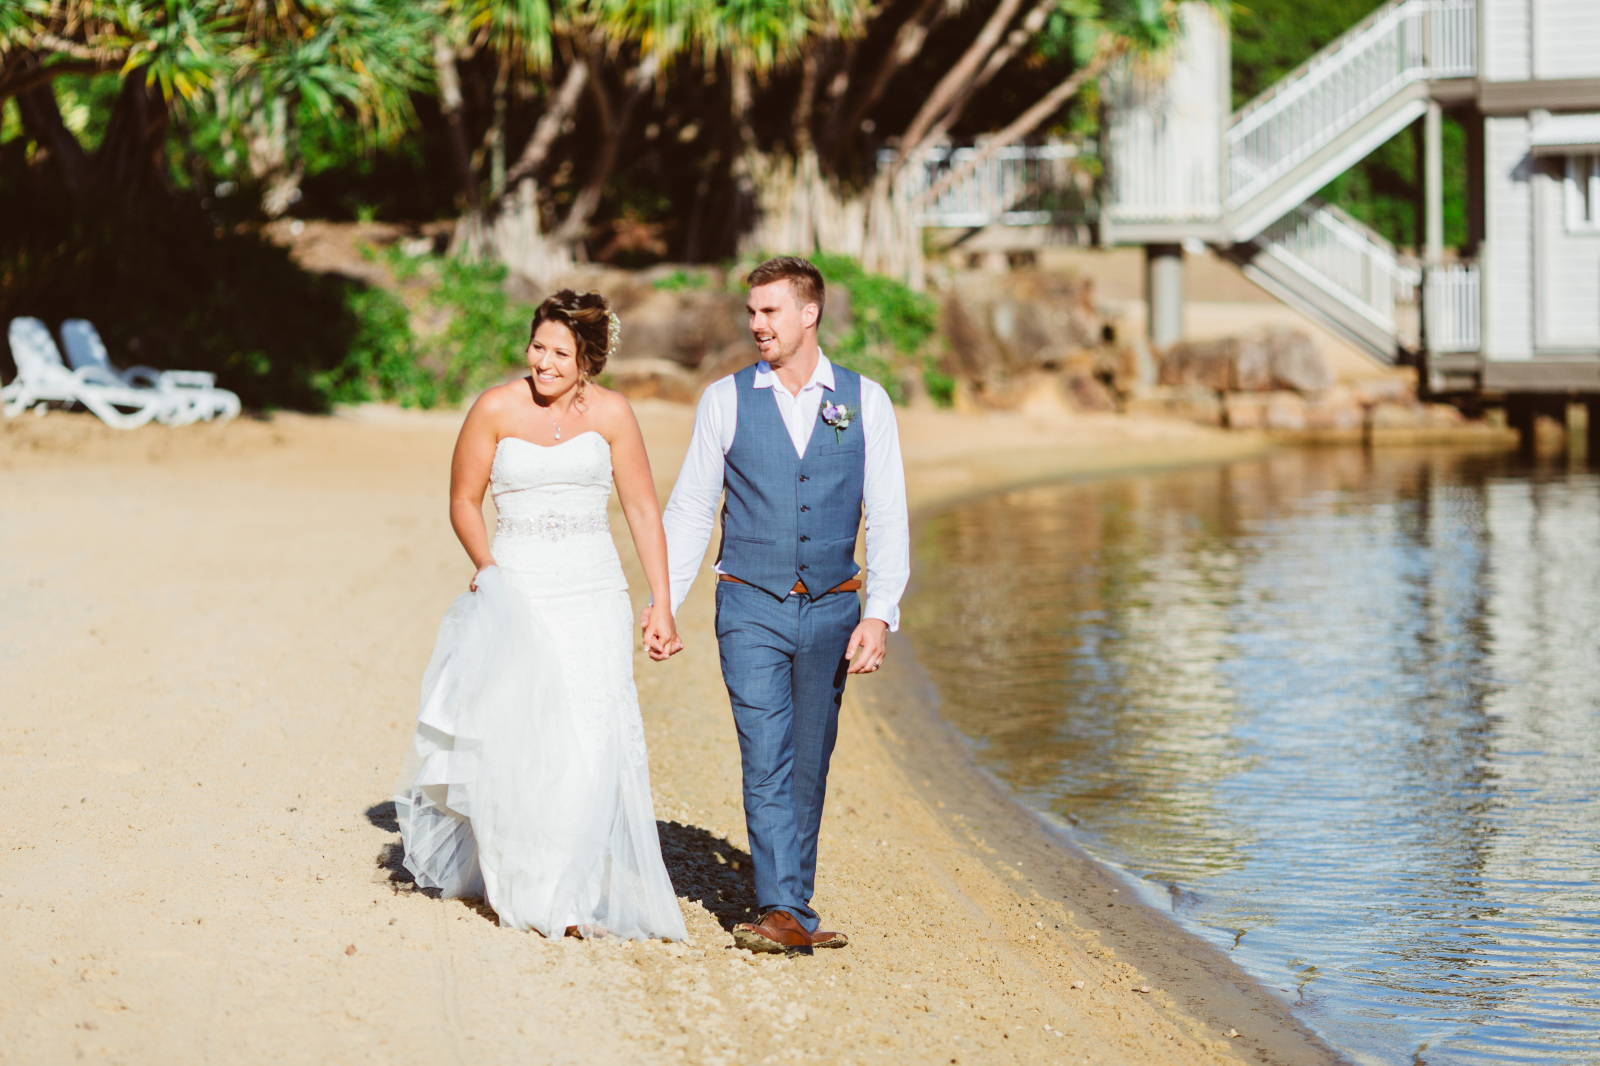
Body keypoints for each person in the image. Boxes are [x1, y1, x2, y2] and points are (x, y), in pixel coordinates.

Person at [394, 289, 687, 942]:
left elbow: (643, 509)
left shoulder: (613, 414)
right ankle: (522, 884)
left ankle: (570, 895)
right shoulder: (495, 407)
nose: (544, 363)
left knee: (588, 738)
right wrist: (488, 566)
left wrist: (661, 602)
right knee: (518, 735)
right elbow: (463, 501)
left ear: (588, 360)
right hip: (518, 589)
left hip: (594, 594)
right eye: (537, 347)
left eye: (560, 353)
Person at [649, 256, 910, 955]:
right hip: (749, 603)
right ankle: (781, 908)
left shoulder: (865, 400)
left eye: (770, 311)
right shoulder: (725, 400)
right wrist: (664, 602)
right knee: (766, 752)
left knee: (810, 760)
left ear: (809, 314)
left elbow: (887, 514)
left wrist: (880, 611)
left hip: (834, 608)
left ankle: (794, 903)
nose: (756, 323)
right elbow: (691, 508)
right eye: (752, 311)